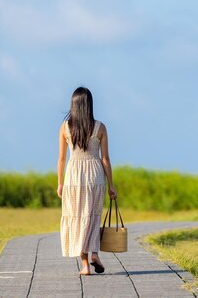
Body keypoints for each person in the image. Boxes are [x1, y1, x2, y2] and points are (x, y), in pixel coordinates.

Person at [57, 87, 117, 275]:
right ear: (90, 104)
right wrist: (111, 186)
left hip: (74, 175)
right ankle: (95, 254)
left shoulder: (65, 127)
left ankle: (84, 265)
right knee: (92, 216)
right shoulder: (100, 127)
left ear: (73, 104)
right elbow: (105, 159)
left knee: (77, 217)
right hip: (94, 175)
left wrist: (60, 183)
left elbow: (61, 159)